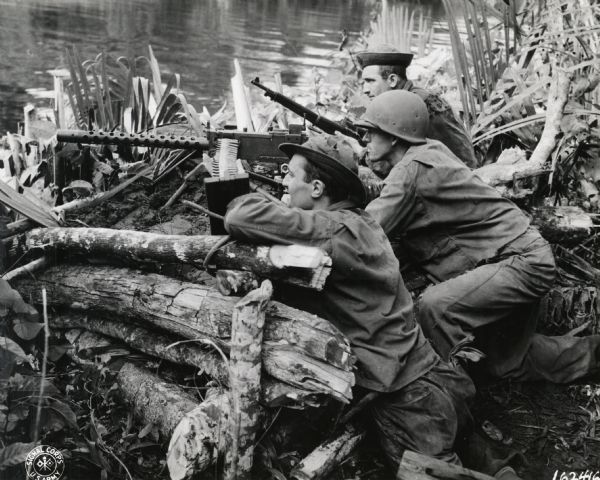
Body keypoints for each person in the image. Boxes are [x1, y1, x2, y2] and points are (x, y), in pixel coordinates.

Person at [224, 134, 475, 471]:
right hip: (438, 380)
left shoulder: (332, 230)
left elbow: (240, 215)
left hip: (412, 401)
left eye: (291, 175)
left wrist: (273, 204)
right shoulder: (360, 222)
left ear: (316, 189)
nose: (284, 181)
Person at [357, 89, 600, 384]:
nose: (365, 142)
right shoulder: (429, 150)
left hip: (521, 264)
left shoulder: (411, 170)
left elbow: (363, 232)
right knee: (505, 364)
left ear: (393, 136)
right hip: (518, 260)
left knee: (435, 307)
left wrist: (292, 219)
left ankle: (452, 399)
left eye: (370, 134)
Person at [355, 45, 479, 169]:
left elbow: (462, 158)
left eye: (370, 81)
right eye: (364, 82)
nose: (365, 90)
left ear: (392, 80)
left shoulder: (422, 104)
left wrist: (359, 151)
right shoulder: (399, 102)